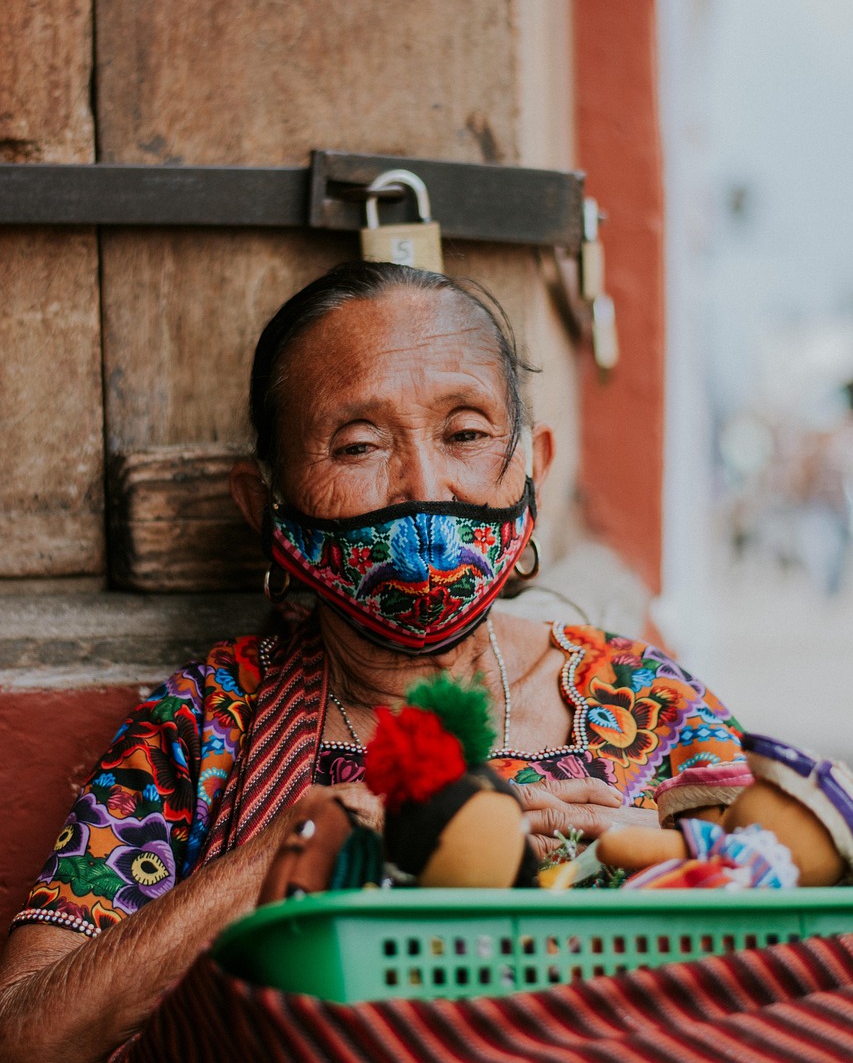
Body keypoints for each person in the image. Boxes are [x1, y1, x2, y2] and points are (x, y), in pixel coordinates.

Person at [0, 261, 747, 1061]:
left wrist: (661, 862)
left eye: (465, 434)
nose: (423, 487)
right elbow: (25, 1036)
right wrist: (279, 856)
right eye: (358, 445)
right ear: (265, 505)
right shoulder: (207, 725)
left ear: (535, 466)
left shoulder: (644, 704)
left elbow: (792, 919)